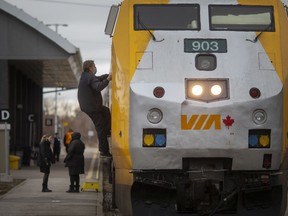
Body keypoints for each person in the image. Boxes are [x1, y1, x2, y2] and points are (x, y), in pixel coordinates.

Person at [77, 60, 112, 157]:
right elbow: (98, 87)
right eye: (94, 66)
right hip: (92, 107)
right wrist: (108, 79)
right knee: (100, 126)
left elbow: (97, 78)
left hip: (89, 106)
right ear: (90, 68)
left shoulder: (85, 76)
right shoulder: (89, 77)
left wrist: (107, 75)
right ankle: (104, 151)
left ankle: (108, 131)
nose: (95, 68)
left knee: (105, 111)